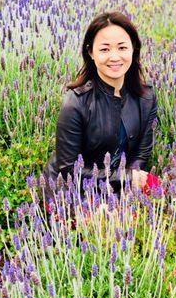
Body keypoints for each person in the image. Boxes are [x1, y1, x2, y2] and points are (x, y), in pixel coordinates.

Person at [42, 11, 159, 212]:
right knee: (107, 229)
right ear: (91, 52)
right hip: (73, 188)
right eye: (105, 49)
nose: (114, 57)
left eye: (122, 47)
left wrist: (126, 189)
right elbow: (69, 169)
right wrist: (124, 180)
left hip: (120, 181)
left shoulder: (145, 97)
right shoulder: (75, 103)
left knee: (163, 197)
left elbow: (141, 153)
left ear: (134, 49)